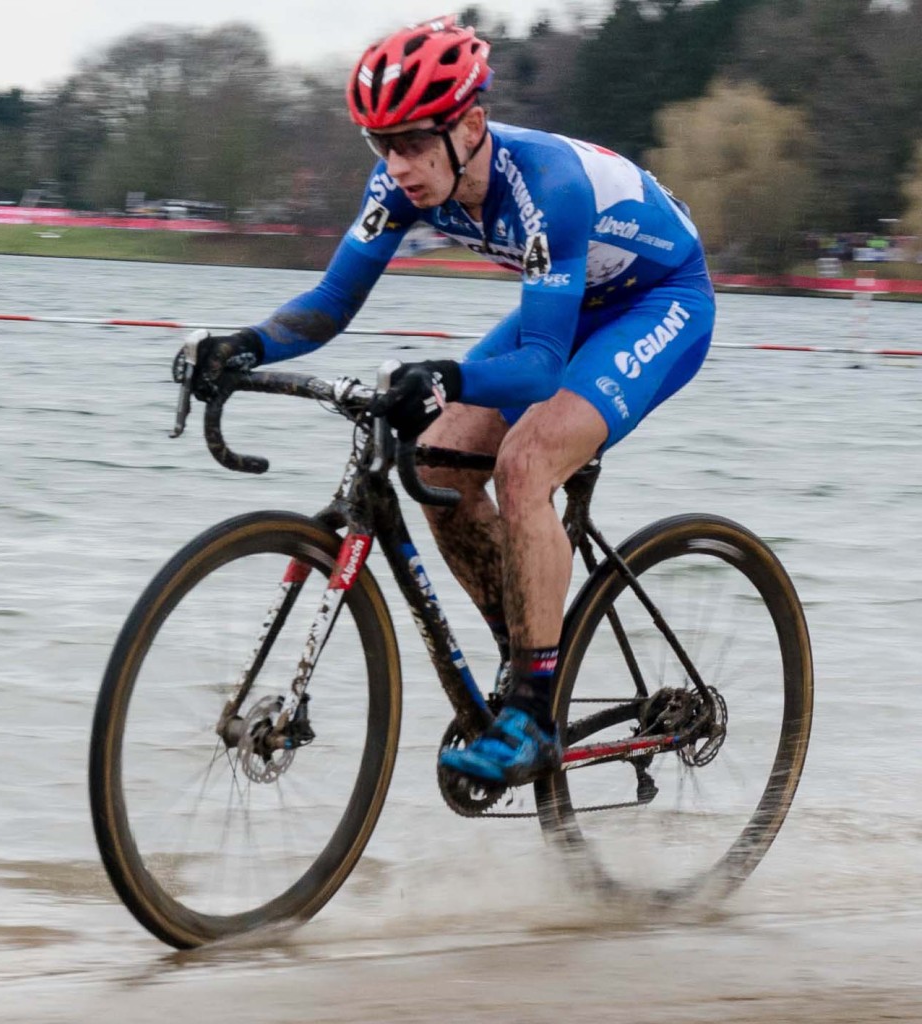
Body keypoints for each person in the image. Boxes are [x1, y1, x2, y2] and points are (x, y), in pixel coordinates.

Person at [183, 14, 716, 788]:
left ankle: (533, 713)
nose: (397, 164)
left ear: (469, 126)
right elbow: (333, 301)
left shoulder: (547, 188)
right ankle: (530, 657)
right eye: (382, 145)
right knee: (436, 459)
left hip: (659, 302)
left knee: (526, 464)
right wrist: (247, 345)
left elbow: (538, 368)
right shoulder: (401, 183)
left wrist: (444, 377)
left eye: (412, 143)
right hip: (576, 301)